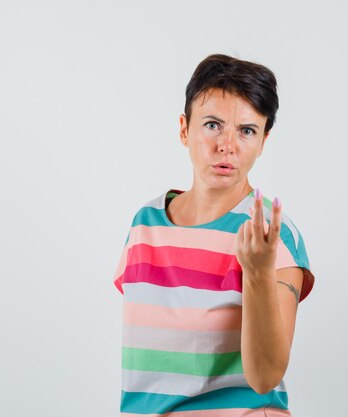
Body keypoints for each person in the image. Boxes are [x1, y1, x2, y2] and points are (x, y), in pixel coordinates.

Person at [112, 53, 315, 417]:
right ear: (184, 128)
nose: (227, 145)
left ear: (264, 140)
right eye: (212, 125)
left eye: (247, 131)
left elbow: (266, 376)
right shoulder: (144, 225)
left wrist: (256, 273)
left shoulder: (273, 234)